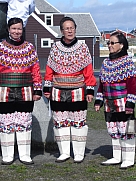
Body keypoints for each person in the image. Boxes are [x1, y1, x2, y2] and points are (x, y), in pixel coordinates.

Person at [0, 17, 42, 165]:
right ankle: (8, 155)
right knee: (6, 122)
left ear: (22, 30)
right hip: (4, 90)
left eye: (19, 28)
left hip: (26, 89)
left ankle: (24, 154)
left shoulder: (29, 48)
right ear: (8, 29)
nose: (17, 31)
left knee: (24, 121)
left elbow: (35, 70)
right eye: (14, 28)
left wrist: (38, 89)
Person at [43, 16, 97, 163]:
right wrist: (47, 88)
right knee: (60, 122)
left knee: (78, 122)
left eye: (72, 28)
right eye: (66, 28)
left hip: (78, 90)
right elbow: (49, 69)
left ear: (75, 29)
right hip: (58, 91)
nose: (69, 30)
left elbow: (88, 70)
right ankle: (64, 152)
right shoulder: (55, 47)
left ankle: (79, 153)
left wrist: (90, 90)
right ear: (61, 31)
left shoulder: (83, 47)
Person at [94, 32, 136, 169]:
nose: (110, 46)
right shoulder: (106, 62)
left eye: (113, 43)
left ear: (122, 45)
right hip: (109, 102)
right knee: (113, 129)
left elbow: (132, 85)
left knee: (127, 129)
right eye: (109, 43)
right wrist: (98, 101)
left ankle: (128, 158)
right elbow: (102, 84)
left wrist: (130, 103)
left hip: (124, 102)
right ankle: (116, 156)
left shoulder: (127, 62)